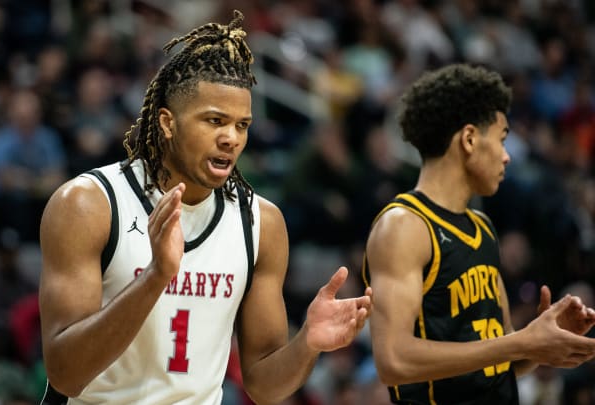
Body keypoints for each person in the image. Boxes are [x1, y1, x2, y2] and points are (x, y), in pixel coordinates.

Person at [38, 10, 372, 405]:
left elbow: (264, 385)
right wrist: (156, 277)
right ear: (167, 122)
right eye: (215, 121)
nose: (231, 138)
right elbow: (65, 374)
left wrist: (307, 345)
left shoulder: (260, 223)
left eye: (242, 125)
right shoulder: (88, 204)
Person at [362, 63, 595, 404]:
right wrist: (522, 342)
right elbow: (393, 359)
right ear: (469, 139)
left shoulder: (482, 228)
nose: (506, 156)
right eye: (501, 140)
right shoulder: (404, 226)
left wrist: (543, 342)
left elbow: (497, 363)